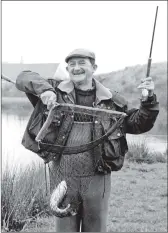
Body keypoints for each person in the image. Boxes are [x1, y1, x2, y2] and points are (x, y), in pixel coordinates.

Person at [16, 48, 159, 232]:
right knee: (65, 229)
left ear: (94, 67)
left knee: (95, 228)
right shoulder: (55, 91)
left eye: (82, 63)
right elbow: (23, 77)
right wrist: (45, 90)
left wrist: (148, 100)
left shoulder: (112, 100)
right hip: (63, 177)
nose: (76, 68)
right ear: (67, 69)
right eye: (72, 64)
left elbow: (138, 124)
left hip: (98, 177)